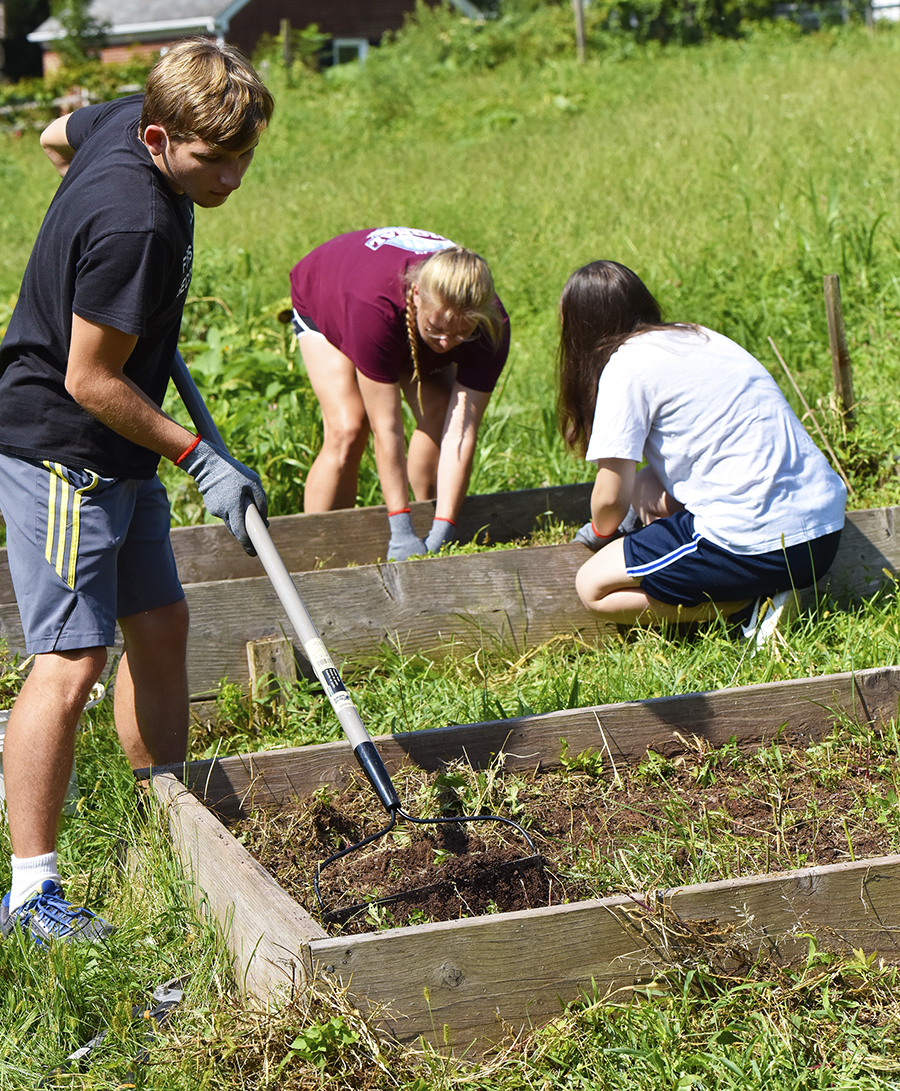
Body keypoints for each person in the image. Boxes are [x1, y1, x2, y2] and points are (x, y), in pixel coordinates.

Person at [0, 40, 274, 945]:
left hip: (121, 441)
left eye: (245, 156)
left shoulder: (126, 119)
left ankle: (174, 819)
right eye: (212, 160)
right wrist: (200, 456)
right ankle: (32, 893)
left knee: (159, 625)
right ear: (158, 135)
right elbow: (88, 378)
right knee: (71, 663)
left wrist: (117, 308)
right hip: (66, 446)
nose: (231, 177)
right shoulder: (138, 226)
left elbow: (51, 135)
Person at [557, 260, 846, 635]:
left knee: (593, 586)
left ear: (583, 328)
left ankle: (746, 605)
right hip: (822, 533)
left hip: (757, 542)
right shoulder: (697, 336)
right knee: (648, 485)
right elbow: (637, 491)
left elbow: (611, 499)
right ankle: (744, 586)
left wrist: (599, 532)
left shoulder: (624, 366)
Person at [288, 226, 511, 560]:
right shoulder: (372, 310)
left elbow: (462, 431)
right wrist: (399, 528)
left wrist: (444, 526)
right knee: (349, 427)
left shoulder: (490, 326)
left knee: (439, 413)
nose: (446, 344)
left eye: (460, 334)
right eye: (436, 330)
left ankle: (429, 531)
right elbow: (387, 428)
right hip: (331, 293)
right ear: (417, 295)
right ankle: (319, 554)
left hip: (400, 314)